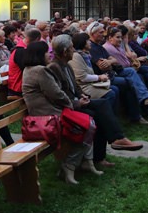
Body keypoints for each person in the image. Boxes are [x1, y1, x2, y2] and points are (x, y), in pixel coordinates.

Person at [49, 35, 142, 168]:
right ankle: (115, 140)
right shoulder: (54, 67)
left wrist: (81, 96)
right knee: (101, 109)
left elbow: (75, 86)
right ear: (65, 51)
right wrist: (77, 102)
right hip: (66, 108)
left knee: (102, 109)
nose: (73, 50)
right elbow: (57, 95)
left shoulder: (66, 64)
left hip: (76, 101)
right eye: (71, 48)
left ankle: (107, 150)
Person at [22, 42, 99, 185]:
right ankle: (70, 165)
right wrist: (73, 104)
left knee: (89, 122)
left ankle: (84, 162)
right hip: (48, 118)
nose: (49, 55)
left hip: (46, 114)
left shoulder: (30, 69)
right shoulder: (40, 70)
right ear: (39, 55)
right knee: (86, 126)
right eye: (46, 52)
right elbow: (56, 94)